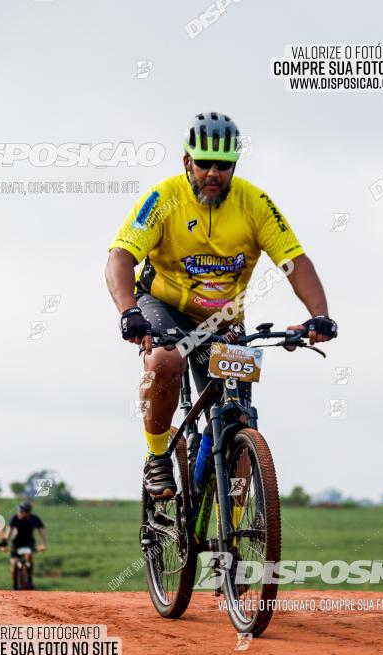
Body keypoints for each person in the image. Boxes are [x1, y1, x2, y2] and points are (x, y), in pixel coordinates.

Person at [106, 111, 337, 498]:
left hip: (223, 319)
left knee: (239, 419)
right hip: (163, 303)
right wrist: (128, 311)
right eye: (204, 163)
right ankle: (158, 456)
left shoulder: (255, 203)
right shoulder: (164, 198)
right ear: (187, 162)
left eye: (224, 165)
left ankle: (225, 538)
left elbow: (294, 262)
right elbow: (120, 256)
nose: (214, 173)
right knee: (166, 361)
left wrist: (319, 315)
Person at [5, 501, 46, 589]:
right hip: (16, 544)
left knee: (29, 556)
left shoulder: (34, 518)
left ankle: (30, 579)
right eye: (18, 511)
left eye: (21, 512)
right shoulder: (14, 518)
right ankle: (14, 585)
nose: (19, 513)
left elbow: (41, 530)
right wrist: (4, 543)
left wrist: (42, 543)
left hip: (28, 543)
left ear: (28, 513)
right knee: (14, 564)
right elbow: (9, 531)